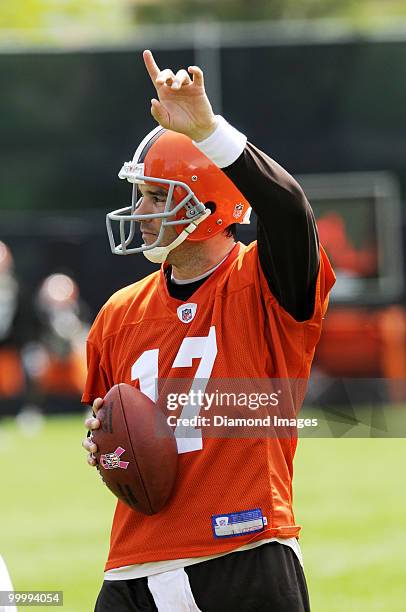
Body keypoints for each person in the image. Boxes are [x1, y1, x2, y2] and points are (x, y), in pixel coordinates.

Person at [82, 49, 335, 612]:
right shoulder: (118, 312)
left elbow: (291, 213)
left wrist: (209, 132)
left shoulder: (263, 283)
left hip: (244, 548)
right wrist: (104, 443)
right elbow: (114, 425)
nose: (142, 210)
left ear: (210, 202)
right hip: (135, 563)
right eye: (140, 194)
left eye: (157, 195)